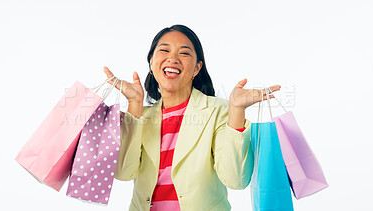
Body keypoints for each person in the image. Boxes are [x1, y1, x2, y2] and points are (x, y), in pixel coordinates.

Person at [103, 24, 280, 211]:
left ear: (197, 68)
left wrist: (236, 110)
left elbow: (236, 180)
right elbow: (123, 173)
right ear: (151, 63)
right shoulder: (141, 116)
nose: (173, 58)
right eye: (164, 50)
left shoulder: (218, 110)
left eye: (184, 53)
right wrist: (134, 105)